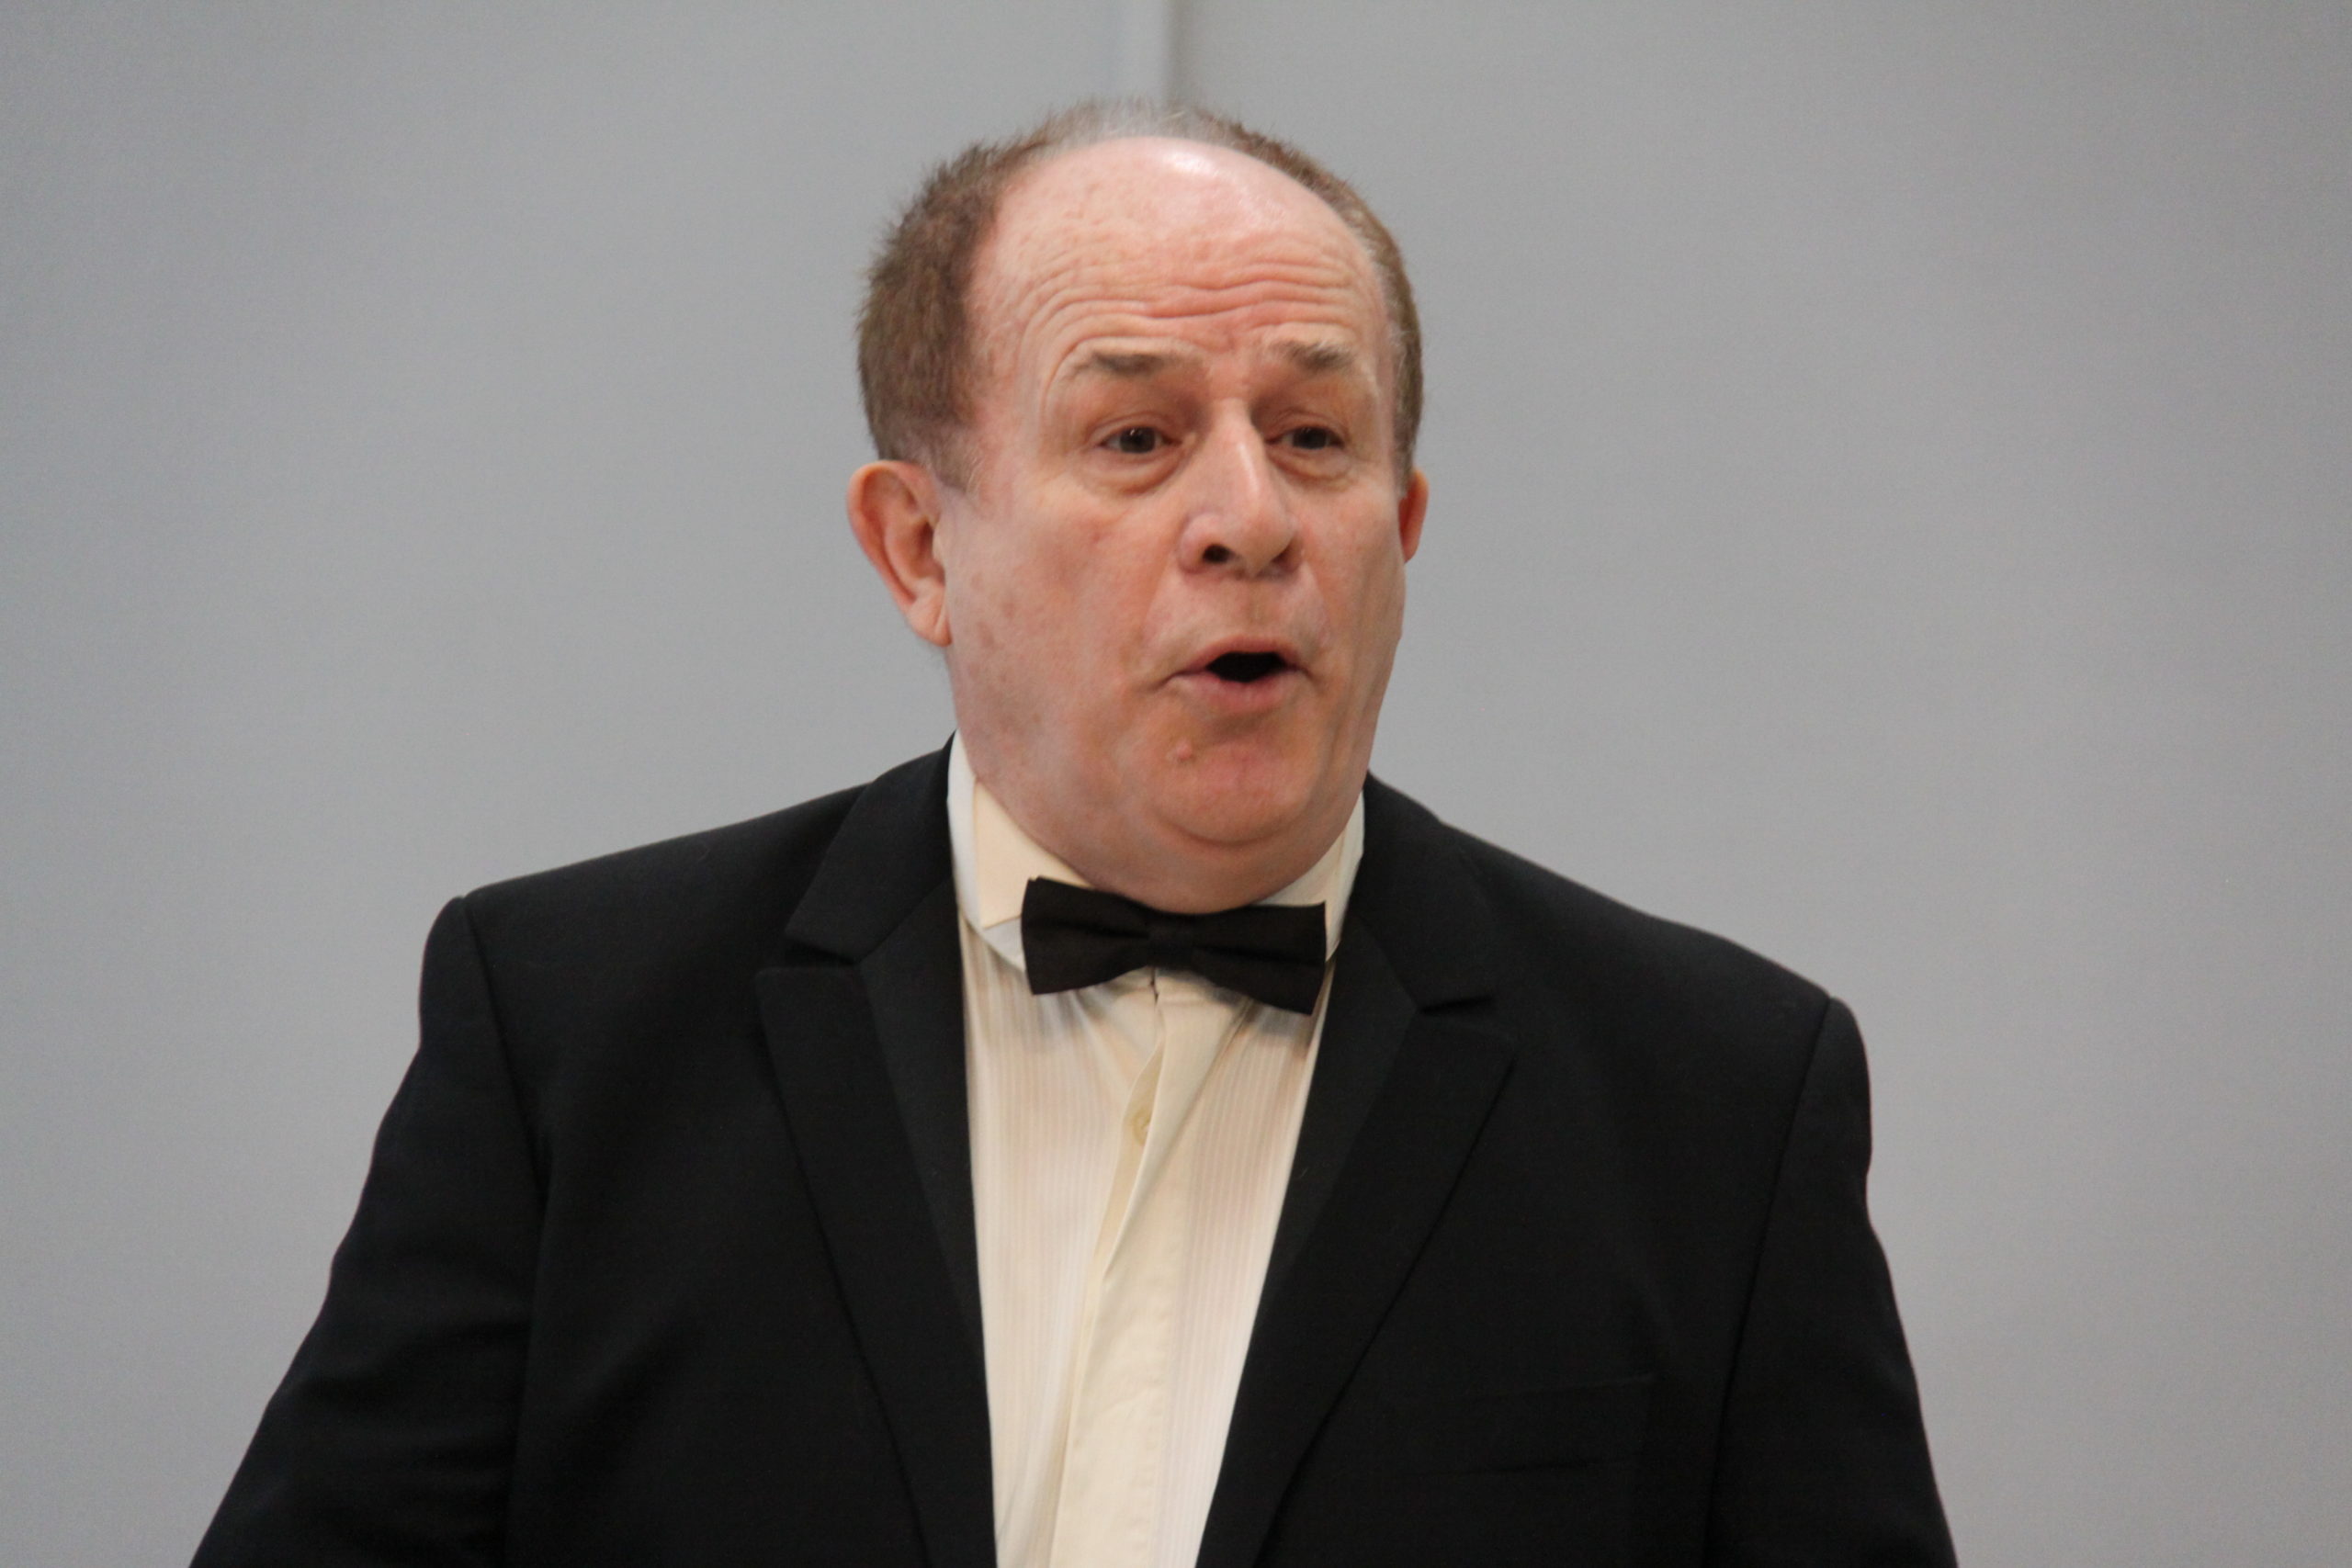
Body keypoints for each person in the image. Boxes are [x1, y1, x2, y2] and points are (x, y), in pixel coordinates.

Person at [193, 102, 1955, 1567]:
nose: (1251, 517)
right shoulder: (571, 1034)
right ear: (919, 549)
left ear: (1404, 524)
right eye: (1136, 435)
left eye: (1315, 436)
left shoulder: (1720, 1101)